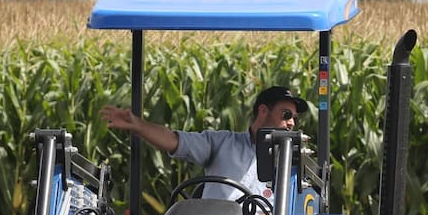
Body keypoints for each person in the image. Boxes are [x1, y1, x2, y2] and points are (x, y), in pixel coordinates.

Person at [99, 85, 308, 201]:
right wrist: (139, 125)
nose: (291, 122)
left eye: (294, 118)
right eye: (286, 114)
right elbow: (175, 141)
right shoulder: (221, 143)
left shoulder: (292, 163)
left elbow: (287, 211)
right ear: (263, 111)